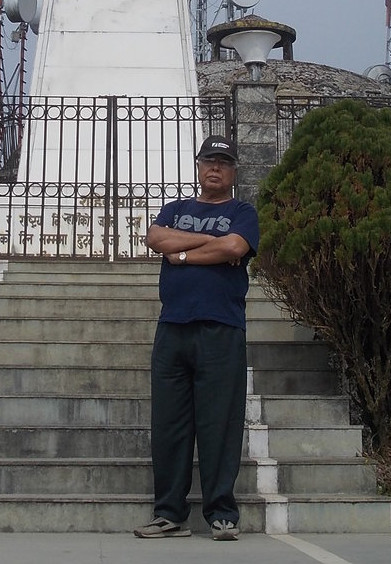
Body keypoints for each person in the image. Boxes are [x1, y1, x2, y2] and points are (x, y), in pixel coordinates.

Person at [133, 135, 260, 541]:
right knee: (169, 425)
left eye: (224, 162)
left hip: (221, 328)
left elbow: (236, 245)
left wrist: (184, 254)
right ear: (199, 166)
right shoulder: (176, 208)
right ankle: (169, 514)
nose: (215, 168)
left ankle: (222, 513)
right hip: (172, 327)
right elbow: (156, 238)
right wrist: (212, 243)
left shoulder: (242, 211)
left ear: (233, 171)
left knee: (219, 424)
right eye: (209, 160)